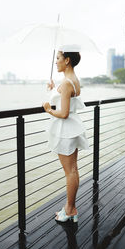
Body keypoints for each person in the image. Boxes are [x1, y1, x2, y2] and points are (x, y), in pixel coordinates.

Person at [43, 44, 89, 223]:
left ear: (67, 60)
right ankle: (71, 208)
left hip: (65, 130)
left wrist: (48, 109)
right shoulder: (72, 80)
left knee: (70, 171)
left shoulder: (67, 83)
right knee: (73, 170)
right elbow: (65, 96)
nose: (56, 62)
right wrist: (54, 88)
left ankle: (69, 209)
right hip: (71, 128)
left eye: (58, 58)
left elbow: (63, 113)